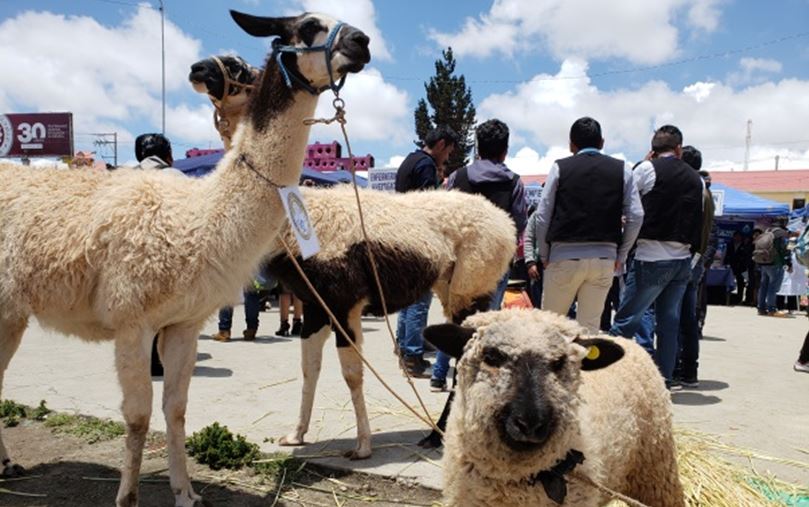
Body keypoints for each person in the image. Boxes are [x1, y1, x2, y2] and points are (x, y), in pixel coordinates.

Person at [609, 125, 704, 388]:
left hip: (650, 257)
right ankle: (665, 379)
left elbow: (628, 204)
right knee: (668, 323)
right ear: (678, 149)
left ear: (653, 149)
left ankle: (610, 376)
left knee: (626, 320)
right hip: (683, 259)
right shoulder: (695, 178)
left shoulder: (646, 169)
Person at [532, 117, 643, 333]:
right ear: (602, 142)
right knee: (589, 330)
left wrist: (544, 254)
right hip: (604, 259)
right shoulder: (623, 169)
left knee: (549, 329)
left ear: (571, 145)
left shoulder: (560, 167)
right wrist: (621, 255)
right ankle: (584, 367)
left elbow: (542, 215)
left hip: (563, 257)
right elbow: (636, 215)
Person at [394, 125, 459, 379]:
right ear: (441, 144)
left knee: (407, 299)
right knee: (420, 300)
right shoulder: (425, 166)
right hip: (419, 241)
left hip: (404, 237)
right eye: (449, 151)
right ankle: (412, 356)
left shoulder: (410, 160)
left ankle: (405, 347)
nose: (448, 158)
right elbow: (428, 207)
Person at [447, 118, 527, 310]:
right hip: (497, 260)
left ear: (478, 148)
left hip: (462, 260)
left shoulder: (457, 178)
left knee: (459, 315)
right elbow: (520, 223)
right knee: (489, 316)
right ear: (505, 151)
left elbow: (448, 219)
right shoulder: (514, 183)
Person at [134, 133, 174, 376]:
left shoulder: (123, 177)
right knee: (162, 311)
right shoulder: (176, 178)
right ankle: (158, 359)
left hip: (131, 257)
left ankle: (140, 359)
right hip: (166, 255)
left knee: (139, 312)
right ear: (167, 155)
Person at [675, 146, 715, 388]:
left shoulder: (694, 189)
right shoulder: (704, 190)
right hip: (695, 260)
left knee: (679, 317)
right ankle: (689, 369)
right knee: (687, 317)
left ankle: (683, 367)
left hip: (688, 260)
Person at [754, 218, 792, 317]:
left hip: (764, 262)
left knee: (763, 286)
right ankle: (771, 309)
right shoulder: (781, 233)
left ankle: (761, 309)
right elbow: (785, 250)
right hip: (776, 263)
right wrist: (788, 263)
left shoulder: (768, 230)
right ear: (784, 222)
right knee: (773, 287)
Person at [724, 231, 750, 305]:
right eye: (736, 236)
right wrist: (725, 263)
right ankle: (729, 299)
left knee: (741, 283)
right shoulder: (730, 244)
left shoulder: (744, 245)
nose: (737, 238)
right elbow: (726, 254)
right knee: (729, 282)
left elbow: (746, 256)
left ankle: (740, 298)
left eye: (739, 236)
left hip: (742, 267)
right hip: (731, 266)